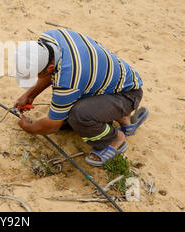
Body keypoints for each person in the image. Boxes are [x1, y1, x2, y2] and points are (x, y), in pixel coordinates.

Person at [13, 29, 149, 166]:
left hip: (127, 94)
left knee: (78, 115)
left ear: (50, 67)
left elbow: (52, 126)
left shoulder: (69, 79)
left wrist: (30, 127)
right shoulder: (49, 38)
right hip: (115, 83)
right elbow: (51, 71)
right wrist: (29, 95)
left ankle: (114, 139)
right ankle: (124, 119)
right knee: (67, 109)